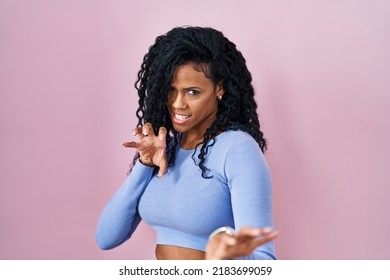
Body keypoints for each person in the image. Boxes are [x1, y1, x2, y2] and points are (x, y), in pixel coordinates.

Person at [96, 26, 279, 260]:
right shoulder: (166, 148)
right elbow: (106, 238)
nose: (177, 104)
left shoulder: (237, 149)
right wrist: (144, 165)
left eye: (192, 92)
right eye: (171, 91)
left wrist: (222, 258)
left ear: (219, 88)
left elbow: (264, 261)